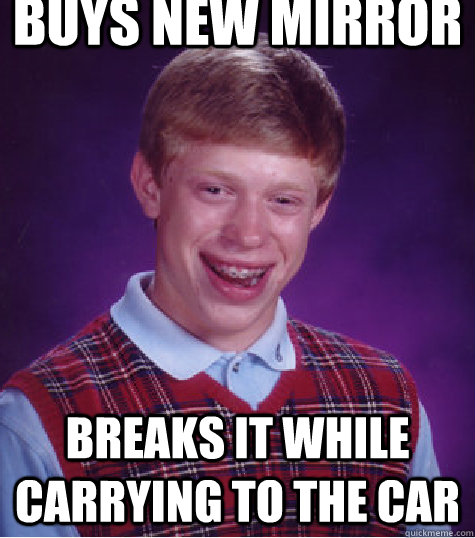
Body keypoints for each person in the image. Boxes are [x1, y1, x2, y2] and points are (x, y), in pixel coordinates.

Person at [0, 36, 443, 536]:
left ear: (319, 209)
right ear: (150, 185)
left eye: (283, 200)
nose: (248, 234)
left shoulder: (387, 400)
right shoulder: (39, 425)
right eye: (215, 190)